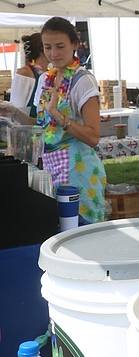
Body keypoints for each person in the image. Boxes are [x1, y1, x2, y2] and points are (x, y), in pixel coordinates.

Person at [0, 17, 107, 222]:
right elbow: (41, 126)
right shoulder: (44, 79)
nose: (53, 53)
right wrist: (12, 112)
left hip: (79, 170)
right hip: (50, 167)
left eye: (60, 46)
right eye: (48, 47)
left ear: (74, 45)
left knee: (80, 232)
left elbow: (93, 137)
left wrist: (59, 116)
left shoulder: (83, 81)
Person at [10, 32, 47, 118]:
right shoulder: (25, 73)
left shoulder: (49, 73)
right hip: (27, 128)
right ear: (42, 50)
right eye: (49, 47)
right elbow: (16, 107)